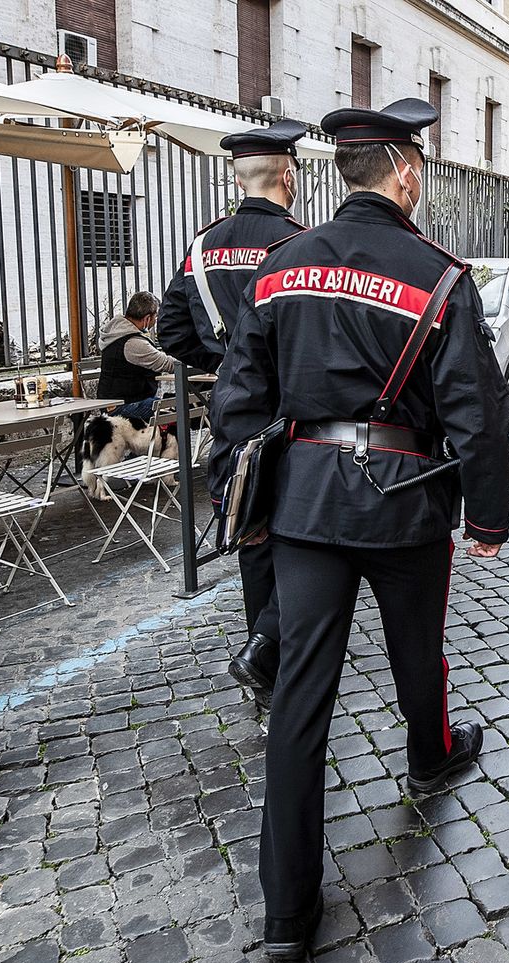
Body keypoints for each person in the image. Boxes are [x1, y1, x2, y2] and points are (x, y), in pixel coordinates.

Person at [209, 97, 509, 960]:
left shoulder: (281, 265)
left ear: (344, 173)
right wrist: (488, 514)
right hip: (403, 499)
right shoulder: (437, 275)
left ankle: (286, 916)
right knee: (418, 653)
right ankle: (430, 754)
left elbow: (239, 398)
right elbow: (477, 410)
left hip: (305, 502)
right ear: (405, 173)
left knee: (301, 697)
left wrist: (246, 494)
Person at [157, 120, 309, 708]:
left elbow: (172, 329)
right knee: (303, 529)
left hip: (233, 412)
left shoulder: (202, 245)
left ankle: (263, 660)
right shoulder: (300, 243)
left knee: (252, 530)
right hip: (292, 409)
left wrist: (226, 363)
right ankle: (283, 651)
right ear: (288, 176)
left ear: (237, 178)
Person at [97, 292, 176, 420]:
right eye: (156, 316)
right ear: (147, 318)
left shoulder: (116, 333)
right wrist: (196, 361)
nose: (156, 320)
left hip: (113, 404)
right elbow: (167, 364)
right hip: (121, 407)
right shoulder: (132, 343)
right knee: (176, 405)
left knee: (171, 403)